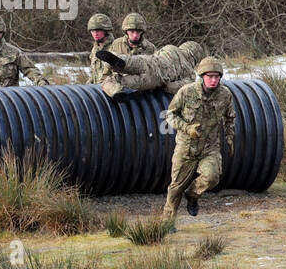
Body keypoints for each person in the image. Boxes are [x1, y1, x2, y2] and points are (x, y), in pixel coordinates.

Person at [162, 56, 235, 219]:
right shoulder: (186, 92)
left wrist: (230, 136)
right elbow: (169, 115)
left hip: (210, 148)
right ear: (202, 76)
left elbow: (230, 117)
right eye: (210, 76)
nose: (213, 80)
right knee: (175, 187)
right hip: (186, 148)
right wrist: (187, 128)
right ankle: (167, 222)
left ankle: (193, 194)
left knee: (212, 177)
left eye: (216, 77)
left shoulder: (225, 94)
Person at [96, 41, 206, 99]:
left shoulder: (170, 47)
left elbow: (156, 54)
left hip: (149, 61)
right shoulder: (190, 73)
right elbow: (171, 88)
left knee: (129, 62)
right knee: (118, 81)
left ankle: (114, 59)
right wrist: (165, 86)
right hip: (156, 77)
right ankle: (116, 91)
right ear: (196, 58)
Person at [86, 13, 116, 84]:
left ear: (106, 31)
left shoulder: (115, 48)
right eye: (93, 31)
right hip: (97, 91)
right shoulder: (95, 49)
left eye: (98, 30)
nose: (95, 33)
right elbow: (94, 74)